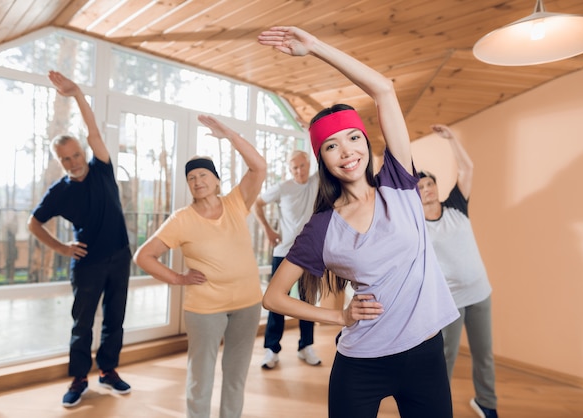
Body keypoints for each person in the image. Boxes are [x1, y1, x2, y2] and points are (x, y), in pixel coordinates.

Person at [258, 26, 460, 418]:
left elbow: (383, 89)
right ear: (323, 159)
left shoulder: (399, 184)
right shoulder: (321, 228)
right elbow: (273, 298)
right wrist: (338, 316)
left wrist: (315, 48)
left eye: (354, 138)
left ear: (367, 144)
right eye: (332, 145)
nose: (346, 151)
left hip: (424, 353)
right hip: (362, 360)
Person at [133, 114, 267, 418]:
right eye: (192, 178)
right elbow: (143, 256)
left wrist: (229, 135)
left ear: (217, 180)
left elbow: (259, 166)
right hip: (205, 308)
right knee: (200, 377)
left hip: (248, 304)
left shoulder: (236, 203)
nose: (197, 181)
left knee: (236, 376)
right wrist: (179, 279)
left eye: (203, 175)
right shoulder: (181, 219)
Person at [27, 71, 132, 407]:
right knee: (82, 325)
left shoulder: (101, 165)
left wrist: (77, 95)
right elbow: (34, 223)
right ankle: (78, 378)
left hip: (120, 256)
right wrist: (61, 247)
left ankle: (108, 371)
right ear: (60, 162)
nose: (72, 162)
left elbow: (94, 130)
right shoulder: (58, 192)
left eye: (75, 154)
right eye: (65, 159)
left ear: (82, 151)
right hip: (87, 264)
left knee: (115, 319)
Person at [418, 124, 499, 418]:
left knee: (484, 354)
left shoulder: (456, 205)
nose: (426, 190)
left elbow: (467, 168)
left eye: (429, 184)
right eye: (420, 187)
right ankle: (436, 409)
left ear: (436, 187)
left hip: (479, 293)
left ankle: (487, 403)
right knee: (445, 357)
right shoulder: (415, 225)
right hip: (448, 301)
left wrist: (452, 139)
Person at [253, 150, 321, 369]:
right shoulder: (283, 188)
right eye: (294, 168)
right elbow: (257, 204)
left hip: (309, 253)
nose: (299, 171)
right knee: (276, 302)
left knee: (307, 301)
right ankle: (272, 349)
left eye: (302, 166)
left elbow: (326, 156)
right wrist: (268, 230)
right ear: (289, 170)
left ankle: (305, 346)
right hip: (284, 253)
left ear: (308, 165)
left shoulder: (315, 181)